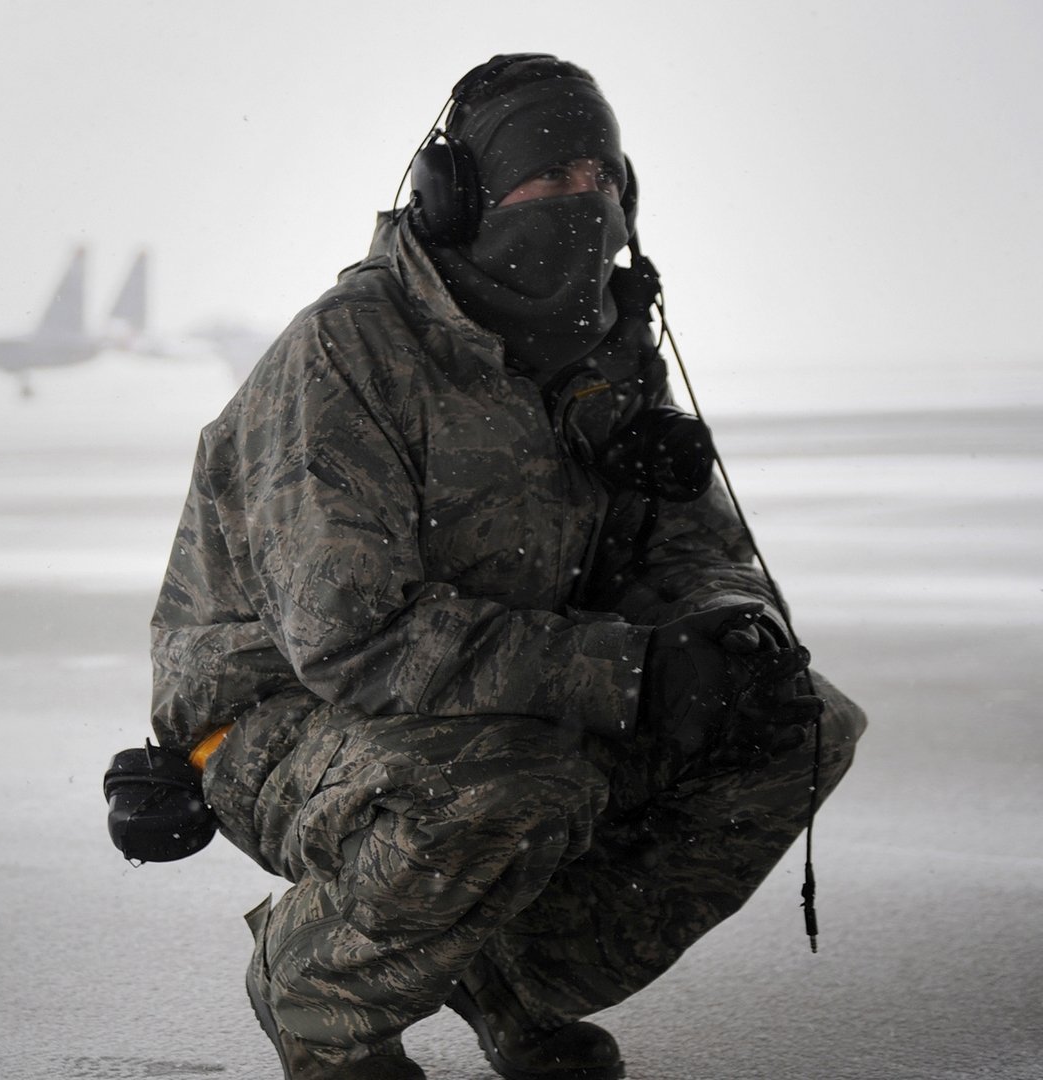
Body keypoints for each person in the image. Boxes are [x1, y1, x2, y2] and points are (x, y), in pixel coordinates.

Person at [146, 54, 866, 1080]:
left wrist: (721, 632)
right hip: (270, 716)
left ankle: (513, 982)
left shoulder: (606, 350)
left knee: (797, 729)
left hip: (506, 683)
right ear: (460, 198)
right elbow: (355, 640)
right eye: (549, 177)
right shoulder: (347, 357)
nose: (586, 202)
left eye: (602, 178)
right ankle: (319, 992)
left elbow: (701, 551)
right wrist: (630, 674)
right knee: (517, 784)